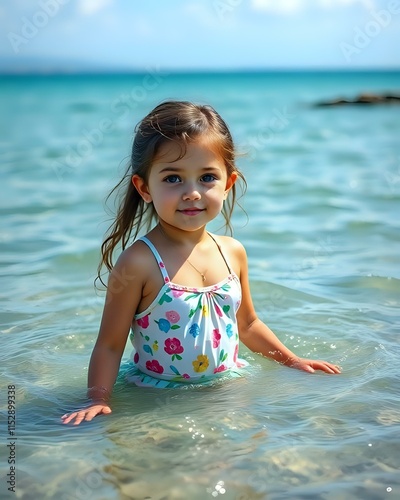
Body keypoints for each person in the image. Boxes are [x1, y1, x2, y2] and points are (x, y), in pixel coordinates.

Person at [62, 101, 341, 426]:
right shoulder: (139, 262)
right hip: (157, 399)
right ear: (144, 188)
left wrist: (293, 362)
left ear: (228, 183)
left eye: (207, 177)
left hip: (228, 390)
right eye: (172, 179)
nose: (192, 193)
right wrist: (98, 399)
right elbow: (110, 345)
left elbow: (248, 325)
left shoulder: (232, 252)